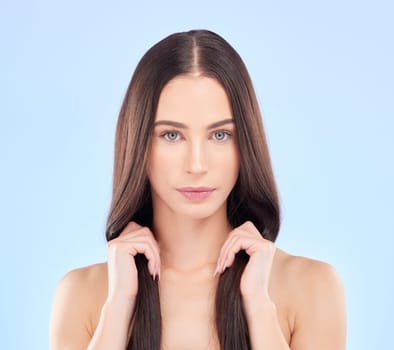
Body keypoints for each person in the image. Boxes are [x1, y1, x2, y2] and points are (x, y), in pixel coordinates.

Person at [49, 29, 346, 350]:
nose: (197, 165)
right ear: (138, 145)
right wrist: (119, 304)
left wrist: (259, 307)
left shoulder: (312, 287)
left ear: (245, 142)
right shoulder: (83, 295)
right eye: (171, 136)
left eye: (220, 135)